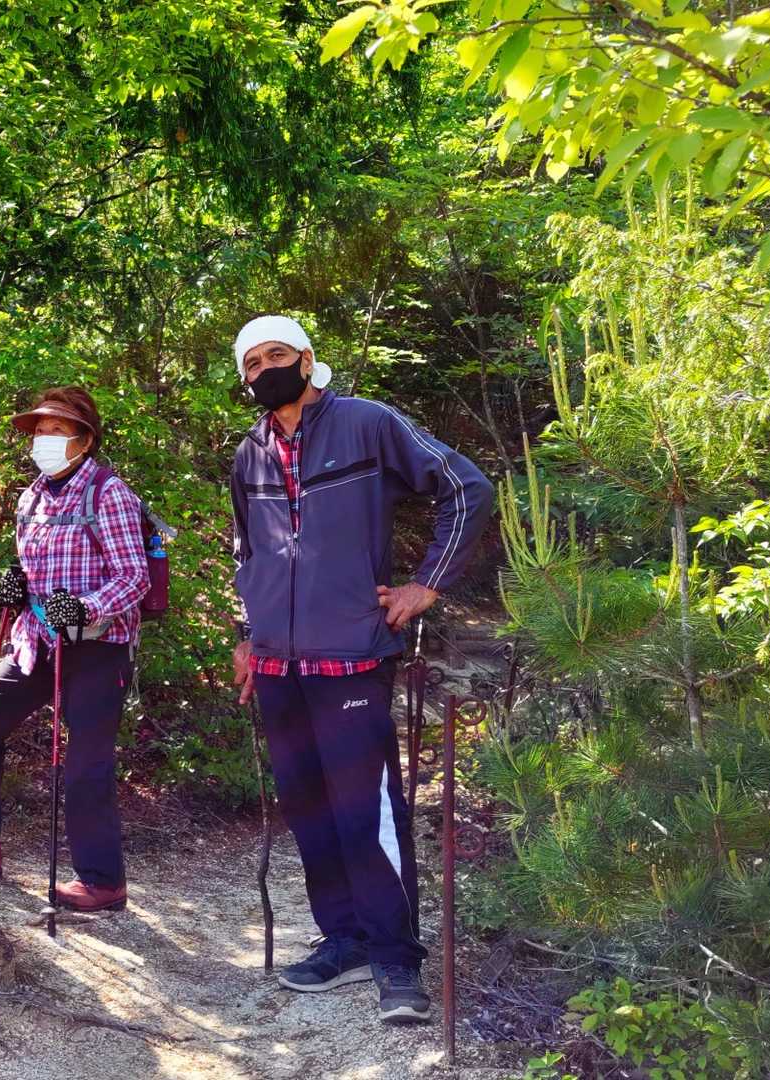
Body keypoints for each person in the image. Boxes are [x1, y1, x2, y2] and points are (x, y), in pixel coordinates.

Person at [227, 315, 492, 1023]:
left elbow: (465, 487)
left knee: (366, 812)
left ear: (308, 359)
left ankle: (395, 960)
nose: (265, 370)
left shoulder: (368, 424)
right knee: (309, 809)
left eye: (277, 355)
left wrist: (425, 584)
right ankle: (342, 940)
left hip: (351, 655)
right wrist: (248, 636)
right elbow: (245, 551)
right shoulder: (249, 454)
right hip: (278, 666)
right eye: (252, 363)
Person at [0, 387, 149, 913]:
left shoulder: (109, 493)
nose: (44, 439)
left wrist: (85, 607)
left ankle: (103, 880)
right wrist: (17, 586)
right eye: (39, 430)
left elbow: (134, 577)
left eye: (56, 430)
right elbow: (33, 567)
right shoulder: (33, 497)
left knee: (87, 757)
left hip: (98, 645)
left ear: (84, 439)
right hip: (38, 639)